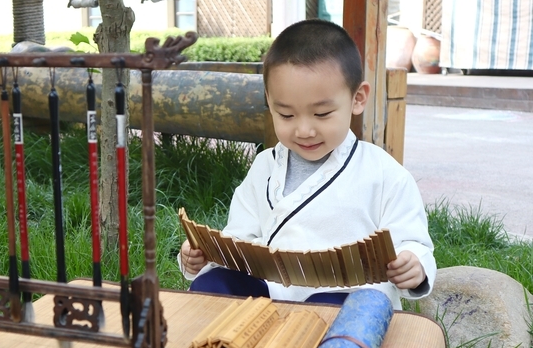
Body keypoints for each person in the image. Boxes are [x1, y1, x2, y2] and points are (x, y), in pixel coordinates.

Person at [178, 19, 436, 310]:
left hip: (344, 298)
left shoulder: (384, 174)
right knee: (212, 285)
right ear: (270, 101)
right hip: (271, 296)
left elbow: (413, 242)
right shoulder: (265, 166)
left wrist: (413, 265)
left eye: (322, 113)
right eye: (286, 115)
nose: (304, 130)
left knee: (333, 308)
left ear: (357, 99)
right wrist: (205, 256)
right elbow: (240, 238)